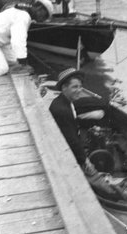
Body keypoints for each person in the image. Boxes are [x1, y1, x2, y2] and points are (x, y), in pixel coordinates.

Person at [49, 67, 118, 198]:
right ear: (64, 88)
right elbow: (72, 140)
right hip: (68, 157)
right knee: (102, 185)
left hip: (68, 148)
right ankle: (115, 196)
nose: (79, 90)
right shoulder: (62, 110)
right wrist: (85, 160)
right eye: (75, 87)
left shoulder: (64, 102)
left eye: (80, 87)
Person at [0, 0, 54, 76]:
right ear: (40, 8)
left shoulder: (22, 11)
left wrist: (20, 60)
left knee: (13, 61)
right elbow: (18, 40)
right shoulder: (24, 16)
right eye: (45, 16)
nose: (43, 20)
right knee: (2, 69)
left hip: (0, 40)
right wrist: (23, 61)